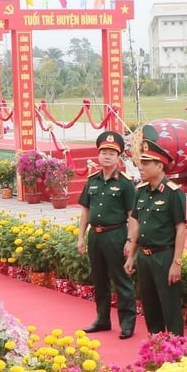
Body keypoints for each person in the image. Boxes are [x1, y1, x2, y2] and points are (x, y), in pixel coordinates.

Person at [124, 124, 187, 335]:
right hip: (145, 257)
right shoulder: (140, 191)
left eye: (146, 163)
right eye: (140, 163)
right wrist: (132, 256)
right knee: (150, 306)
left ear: (159, 166)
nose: (140, 167)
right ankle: (157, 346)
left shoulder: (173, 193)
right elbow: (137, 226)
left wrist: (176, 263)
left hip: (164, 256)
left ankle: (177, 347)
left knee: (169, 305)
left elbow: (180, 228)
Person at [77, 130, 138, 339]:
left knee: (121, 280)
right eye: (103, 152)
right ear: (98, 154)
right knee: (99, 279)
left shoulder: (124, 182)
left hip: (116, 235)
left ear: (119, 157)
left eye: (112, 153)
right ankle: (102, 319)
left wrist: (130, 240)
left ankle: (127, 323)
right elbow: (85, 209)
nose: (107, 156)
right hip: (96, 236)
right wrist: (81, 237)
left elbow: (133, 215)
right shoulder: (92, 180)